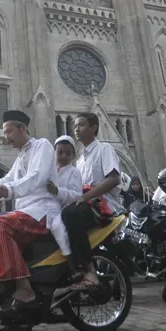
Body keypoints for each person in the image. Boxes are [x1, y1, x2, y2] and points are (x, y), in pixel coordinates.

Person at [0, 110, 62, 315]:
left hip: (42, 210)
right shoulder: (21, 157)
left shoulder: (42, 146)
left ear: (22, 128)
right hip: (26, 211)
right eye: (4, 133)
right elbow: (7, 180)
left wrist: (9, 191)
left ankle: (25, 290)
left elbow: (36, 177)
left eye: (9, 131)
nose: (6, 137)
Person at [61, 112, 123, 290]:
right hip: (86, 207)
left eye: (80, 125)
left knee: (70, 214)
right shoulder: (80, 160)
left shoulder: (104, 149)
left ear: (93, 128)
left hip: (104, 207)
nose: (76, 129)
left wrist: (84, 197)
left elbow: (113, 180)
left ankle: (87, 270)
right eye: (75, 126)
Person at [45, 135, 83, 256]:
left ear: (73, 155)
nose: (63, 156)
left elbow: (77, 195)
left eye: (68, 153)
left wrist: (57, 191)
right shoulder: (49, 170)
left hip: (62, 210)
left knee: (57, 228)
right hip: (45, 207)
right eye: (60, 152)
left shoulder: (74, 172)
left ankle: (69, 256)